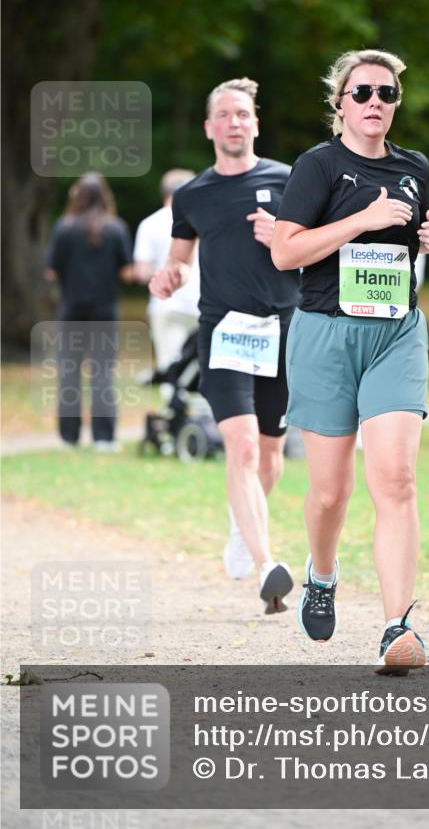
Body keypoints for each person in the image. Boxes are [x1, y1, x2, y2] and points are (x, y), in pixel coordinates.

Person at [271, 49, 429, 673]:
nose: (377, 102)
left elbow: (415, 239)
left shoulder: (414, 167)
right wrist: (361, 219)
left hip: (396, 332)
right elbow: (286, 254)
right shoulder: (318, 166)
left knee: (395, 478)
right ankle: (322, 574)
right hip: (325, 334)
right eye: (364, 92)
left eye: (388, 93)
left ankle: (398, 629)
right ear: (340, 103)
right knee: (329, 490)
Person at [149, 78, 299, 613]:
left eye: (243, 114)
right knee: (242, 446)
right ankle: (266, 564)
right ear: (210, 127)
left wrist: (285, 237)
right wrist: (165, 278)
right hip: (225, 332)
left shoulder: (290, 180)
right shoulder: (192, 195)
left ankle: (242, 528)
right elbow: (178, 261)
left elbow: (321, 252)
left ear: (255, 123)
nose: (235, 122)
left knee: (273, 455)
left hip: (284, 329)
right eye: (225, 115)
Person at [44, 173, 133, 450]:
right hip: (105, 311)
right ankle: (103, 437)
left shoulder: (64, 228)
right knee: (103, 372)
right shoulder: (116, 228)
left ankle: (69, 437)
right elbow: (128, 271)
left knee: (69, 372)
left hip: (71, 310)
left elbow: (50, 271)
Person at [133, 169, 200, 375]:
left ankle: (174, 404)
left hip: (166, 304)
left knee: (171, 364)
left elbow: (142, 271)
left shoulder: (150, 223)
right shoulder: (202, 219)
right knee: (201, 367)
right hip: (203, 301)